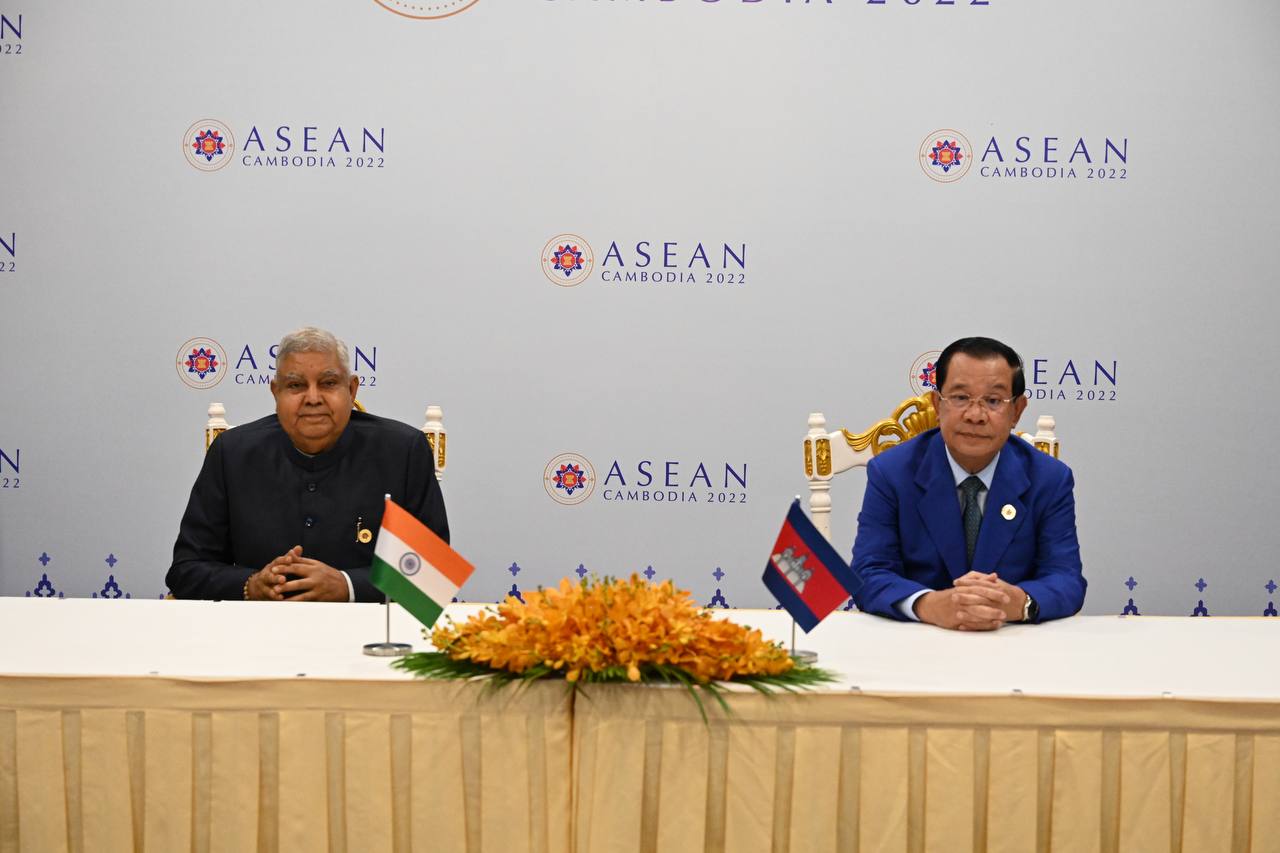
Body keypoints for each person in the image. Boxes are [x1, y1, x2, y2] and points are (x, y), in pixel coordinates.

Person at [166, 327, 448, 602]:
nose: (313, 399)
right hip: (258, 626)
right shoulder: (232, 453)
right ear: (276, 393)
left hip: (368, 628)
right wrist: (251, 585)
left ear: (351, 390)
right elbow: (186, 570)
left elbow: (434, 575)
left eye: (328, 383)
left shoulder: (403, 451)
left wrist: (347, 585)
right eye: (296, 385)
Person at [851, 337, 1084, 629]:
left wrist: (1017, 603)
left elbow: (1065, 578)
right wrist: (929, 605)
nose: (975, 416)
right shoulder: (891, 472)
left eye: (993, 401)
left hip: (1010, 639)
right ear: (937, 404)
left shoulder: (1049, 479)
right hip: (920, 638)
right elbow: (868, 573)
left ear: (1017, 411)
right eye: (961, 398)